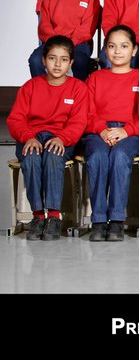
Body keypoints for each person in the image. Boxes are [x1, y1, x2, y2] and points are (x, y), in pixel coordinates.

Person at [8, 35, 88, 240]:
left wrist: (62, 138)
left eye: (63, 59)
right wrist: (28, 137)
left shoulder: (78, 88)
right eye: (52, 58)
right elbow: (16, 119)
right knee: (32, 157)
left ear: (71, 63)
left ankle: (53, 216)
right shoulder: (30, 86)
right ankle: (37, 216)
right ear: (44, 60)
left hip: (61, 138)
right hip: (31, 137)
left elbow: (78, 122)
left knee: (53, 156)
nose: (58, 64)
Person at [84, 26, 139, 242]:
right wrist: (102, 130)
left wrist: (127, 131)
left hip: (129, 133)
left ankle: (117, 220)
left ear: (134, 50)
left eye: (124, 46)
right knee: (98, 156)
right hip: (99, 132)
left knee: (119, 156)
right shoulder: (95, 78)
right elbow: (87, 112)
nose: (117, 51)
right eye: (112, 46)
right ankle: (99, 220)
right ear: (105, 50)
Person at [30, 0, 100, 80]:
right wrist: (56, 44)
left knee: (79, 60)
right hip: (52, 42)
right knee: (35, 60)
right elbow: (44, 26)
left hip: (79, 44)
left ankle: (78, 91)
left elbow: (87, 29)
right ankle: (43, 90)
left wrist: (68, 45)